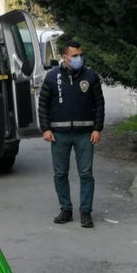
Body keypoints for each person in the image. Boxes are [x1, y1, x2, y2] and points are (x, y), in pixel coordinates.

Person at [37, 40, 105, 228]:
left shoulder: (90, 76)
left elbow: (99, 103)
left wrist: (97, 128)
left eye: (80, 55)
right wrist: (46, 128)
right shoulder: (52, 77)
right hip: (59, 134)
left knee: (86, 173)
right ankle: (65, 209)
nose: (79, 59)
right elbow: (43, 104)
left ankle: (85, 212)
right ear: (65, 57)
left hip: (85, 134)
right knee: (60, 174)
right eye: (74, 56)